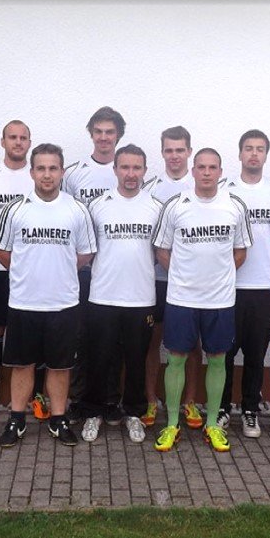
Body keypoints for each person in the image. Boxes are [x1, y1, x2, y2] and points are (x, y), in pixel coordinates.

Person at [0, 143, 97, 447]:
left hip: (63, 304)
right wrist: (27, 271)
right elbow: (1, 251)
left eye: (53, 168)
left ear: (62, 172)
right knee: (22, 364)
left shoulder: (76, 209)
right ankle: (16, 419)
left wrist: (59, 271)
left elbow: (85, 254)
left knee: (60, 366)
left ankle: (58, 418)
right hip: (24, 302)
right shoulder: (16, 209)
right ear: (32, 172)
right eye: (41, 168)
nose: (47, 174)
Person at [152, 148, 252, 453]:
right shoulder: (175, 204)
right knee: (176, 358)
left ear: (220, 172)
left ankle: (212, 426)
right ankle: (172, 424)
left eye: (212, 167)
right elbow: (162, 249)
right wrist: (183, 276)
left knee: (218, 358)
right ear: (193, 170)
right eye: (201, 167)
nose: (207, 172)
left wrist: (219, 277)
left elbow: (241, 251)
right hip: (181, 298)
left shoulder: (235, 205)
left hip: (220, 300)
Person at [79, 144, 162, 443]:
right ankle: (93, 412)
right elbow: (87, 248)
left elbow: (159, 252)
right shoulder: (98, 205)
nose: (130, 173)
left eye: (136, 168)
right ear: (115, 170)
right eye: (125, 167)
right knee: (98, 358)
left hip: (141, 298)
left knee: (136, 359)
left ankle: (134, 413)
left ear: (145, 171)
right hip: (102, 296)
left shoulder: (156, 207)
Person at [0, 120, 49, 423]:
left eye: (23, 137)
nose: (18, 142)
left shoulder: (38, 175)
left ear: (29, 142)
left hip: (35, 270)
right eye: (12, 137)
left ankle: (37, 396)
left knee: (37, 330)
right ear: (2, 141)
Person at [217, 130, 270, 438]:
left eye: (260, 149)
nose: (254, 154)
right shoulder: (224, 189)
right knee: (224, 354)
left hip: (263, 288)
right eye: (249, 148)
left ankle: (249, 411)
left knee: (256, 356)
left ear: (266, 155)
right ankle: (221, 409)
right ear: (240, 154)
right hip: (229, 288)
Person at [62, 106, 127, 425]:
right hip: (81, 271)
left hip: (114, 272)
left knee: (112, 340)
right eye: (98, 131)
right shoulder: (74, 174)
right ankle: (78, 400)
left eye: (109, 132)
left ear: (118, 136)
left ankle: (111, 400)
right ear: (91, 134)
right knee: (79, 337)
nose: (104, 137)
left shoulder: (127, 171)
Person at [142, 126, 203, 429]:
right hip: (156, 279)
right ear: (162, 152)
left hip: (193, 283)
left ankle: (189, 401)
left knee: (192, 344)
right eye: (169, 150)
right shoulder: (150, 188)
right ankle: (151, 400)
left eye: (180, 150)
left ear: (189, 151)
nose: (175, 155)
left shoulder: (202, 186)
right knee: (152, 341)